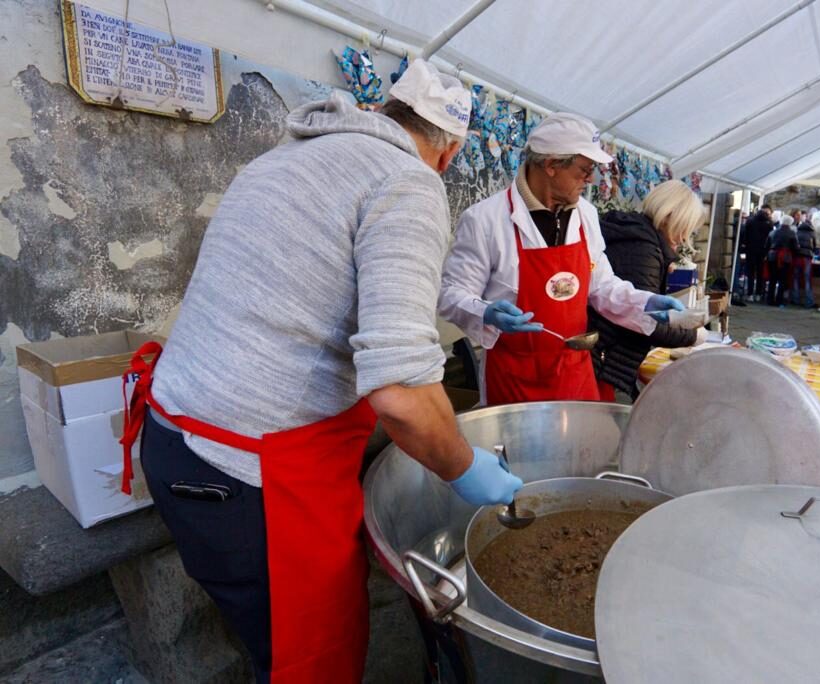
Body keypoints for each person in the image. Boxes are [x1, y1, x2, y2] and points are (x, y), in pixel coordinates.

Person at [117, 60, 523, 683]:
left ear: (387, 111)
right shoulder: (407, 182)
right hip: (252, 475)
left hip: (174, 443)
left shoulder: (283, 159)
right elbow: (402, 393)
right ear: (450, 153)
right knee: (309, 666)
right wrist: (465, 469)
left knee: (268, 649)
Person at [438, 112, 684, 406]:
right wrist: (485, 312)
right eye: (584, 169)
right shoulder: (485, 220)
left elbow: (601, 286)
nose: (591, 178)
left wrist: (643, 302)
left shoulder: (586, 216)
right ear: (552, 164)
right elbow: (451, 295)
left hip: (573, 371)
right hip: (514, 378)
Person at [588, 180, 709, 401]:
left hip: (601, 354)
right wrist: (696, 335)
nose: (684, 238)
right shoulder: (643, 248)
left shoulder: (637, 236)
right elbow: (646, 322)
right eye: (685, 228)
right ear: (670, 217)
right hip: (605, 358)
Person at [740, 205, 774, 301]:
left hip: (750, 250)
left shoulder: (750, 221)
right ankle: (759, 294)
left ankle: (750, 294)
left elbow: (745, 236)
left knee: (750, 273)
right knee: (760, 273)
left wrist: (745, 247)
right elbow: (770, 239)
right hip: (762, 251)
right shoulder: (769, 223)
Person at [766, 215, 798, 307]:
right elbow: (795, 247)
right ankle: (779, 300)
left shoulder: (772, 232)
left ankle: (770, 299)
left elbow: (767, 245)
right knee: (782, 280)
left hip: (772, 256)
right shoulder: (792, 233)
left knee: (772, 279)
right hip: (785, 258)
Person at [792, 210, 817, 308]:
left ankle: (795, 299)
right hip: (807, 257)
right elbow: (814, 247)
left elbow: (795, 245)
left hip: (797, 256)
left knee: (796, 278)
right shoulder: (812, 233)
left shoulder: (797, 232)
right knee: (807, 279)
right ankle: (809, 301)